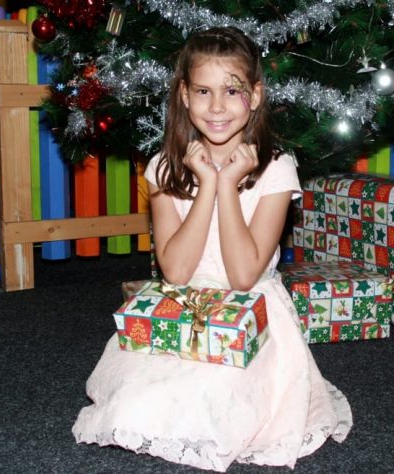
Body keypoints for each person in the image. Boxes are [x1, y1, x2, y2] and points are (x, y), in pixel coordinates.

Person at [72, 26, 352, 471]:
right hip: (184, 304)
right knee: (137, 405)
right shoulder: (164, 166)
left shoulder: (276, 168)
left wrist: (226, 183)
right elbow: (177, 272)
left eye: (232, 91)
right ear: (184, 95)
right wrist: (205, 184)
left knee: (221, 410)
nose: (217, 106)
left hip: (252, 312)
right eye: (203, 90)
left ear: (255, 96)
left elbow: (243, 276)